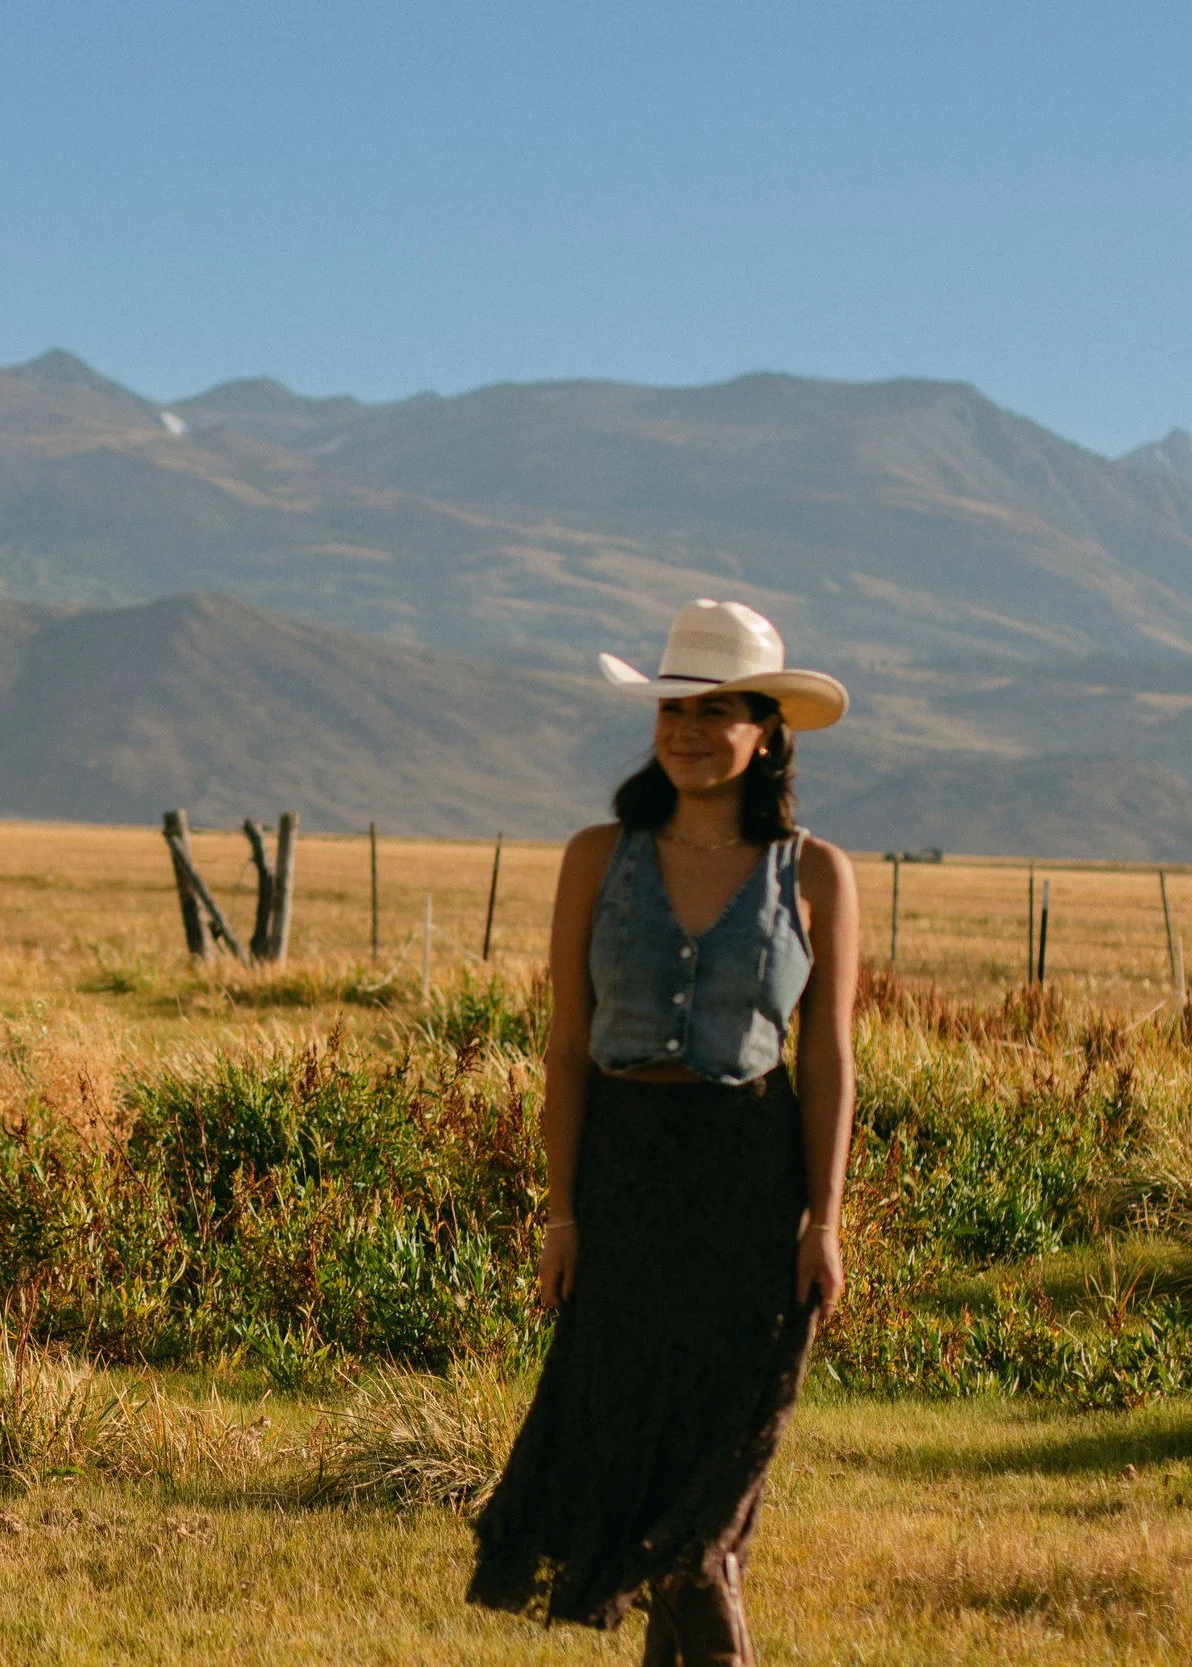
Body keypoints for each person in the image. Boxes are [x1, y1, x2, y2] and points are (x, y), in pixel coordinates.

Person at [465, 599, 858, 1666]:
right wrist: (561, 1211)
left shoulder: (816, 874)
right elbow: (562, 1046)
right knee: (631, 1450)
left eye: (716, 710)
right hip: (626, 1175)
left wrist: (822, 1217)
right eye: (673, 708)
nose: (687, 729)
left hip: (747, 1176)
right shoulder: (599, 855)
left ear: (765, 729)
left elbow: (826, 1059)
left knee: (716, 1459)